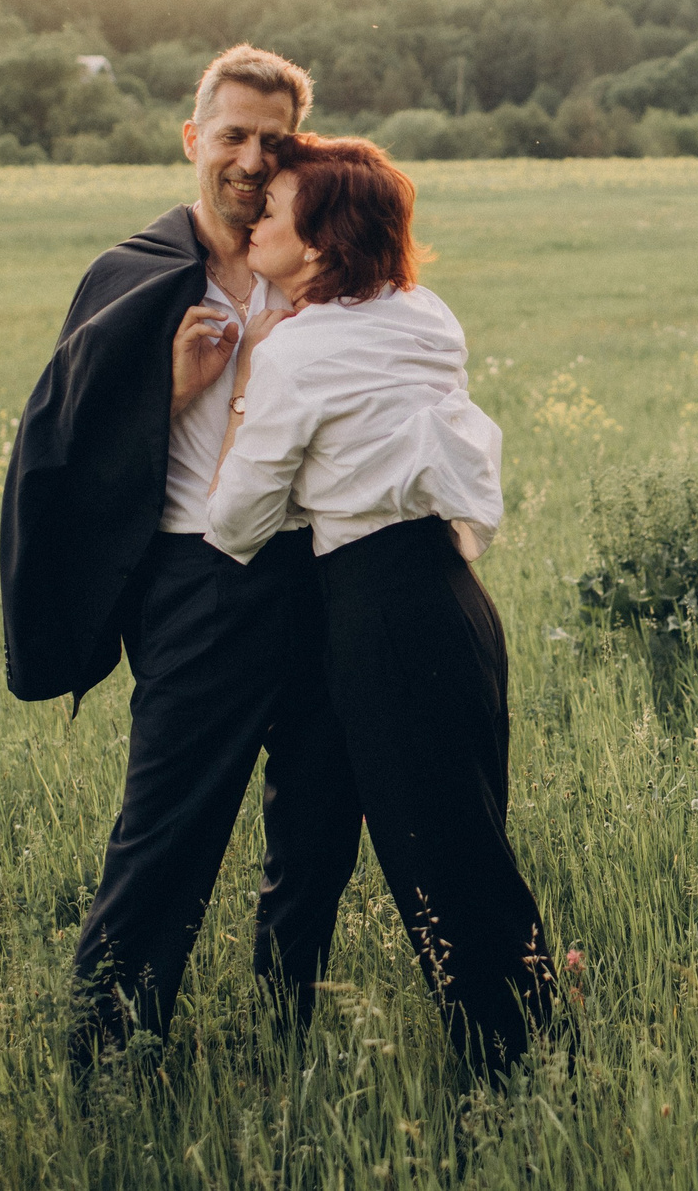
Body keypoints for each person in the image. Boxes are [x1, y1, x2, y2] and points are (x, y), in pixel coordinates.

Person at [0, 47, 362, 1065]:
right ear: (192, 138)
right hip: (198, 587)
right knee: (168, 832)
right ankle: (108, 1052)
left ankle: (284, 1029)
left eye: (273, 139)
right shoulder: (132, 277)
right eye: (233, 134)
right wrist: (166, 393)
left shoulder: (323, 268)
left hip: (327, 575)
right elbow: (61, 453)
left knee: (320, 824)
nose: (251, 158)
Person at [204, 135, 557, 1073]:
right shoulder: (426, 313)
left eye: (275, 209)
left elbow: (238, 520)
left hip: (375, 607)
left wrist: (245, 385)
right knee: (462, 837)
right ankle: (520, 1044)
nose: (257, 219)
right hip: (449, 595)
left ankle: (513, 1067)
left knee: (419, 851)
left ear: (318, 246)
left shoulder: (299, 351)